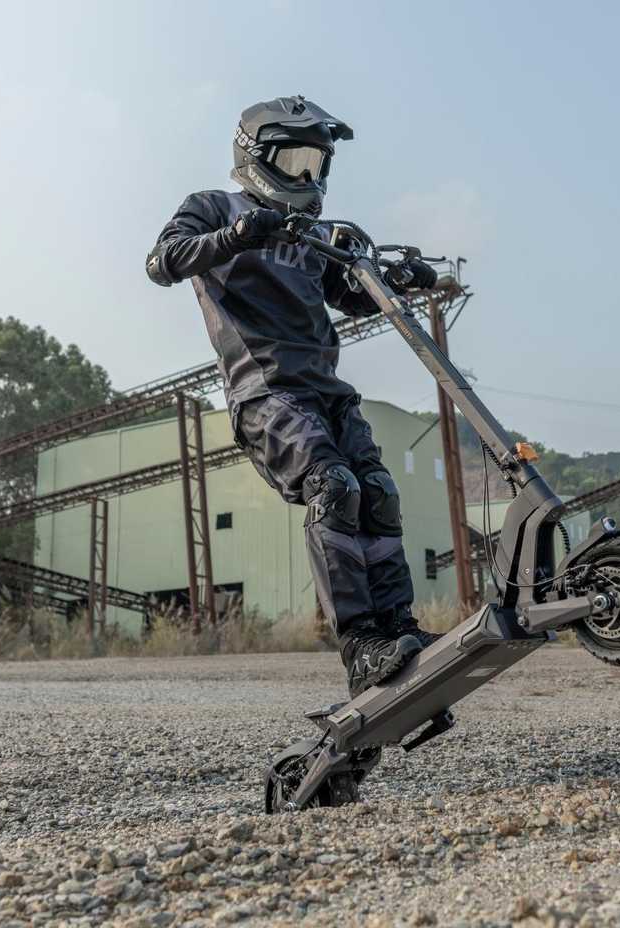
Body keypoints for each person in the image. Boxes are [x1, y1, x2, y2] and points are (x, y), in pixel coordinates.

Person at [145, 96, 441, 697]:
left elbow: (351, 296)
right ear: (255, 155)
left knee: (378, 495)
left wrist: (399, 279)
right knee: (335, 488)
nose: (308, 177)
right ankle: (360, 644)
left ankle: (400, 631)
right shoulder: (212, 207)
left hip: (327, 388)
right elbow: (161, 262)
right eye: (295, 160)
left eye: (317, 164)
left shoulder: (310, 233)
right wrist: (235, 234)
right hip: (267, 391)